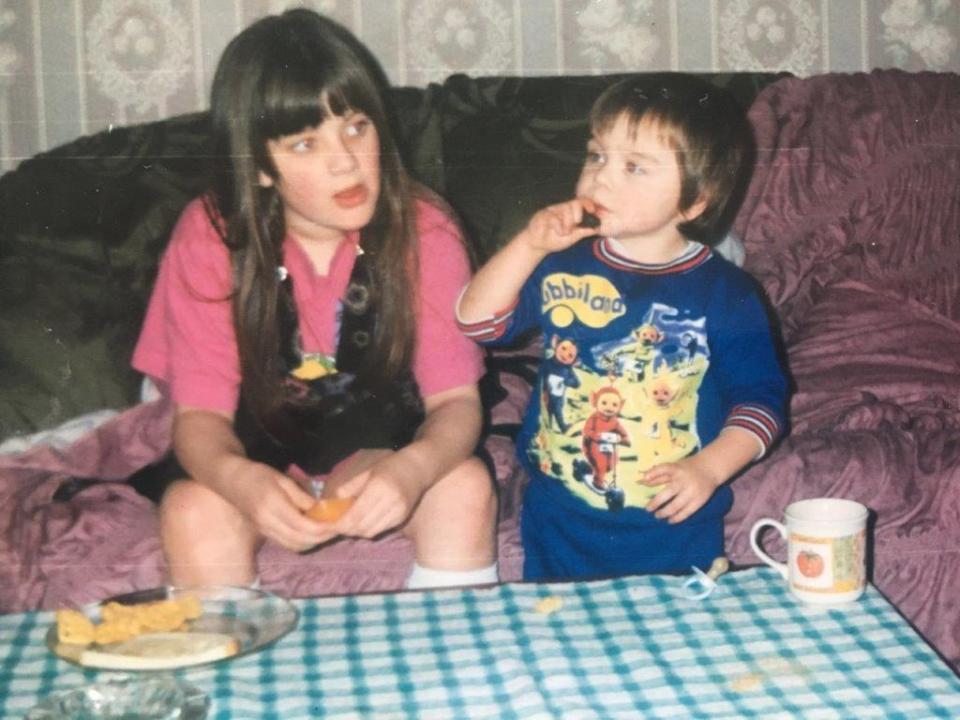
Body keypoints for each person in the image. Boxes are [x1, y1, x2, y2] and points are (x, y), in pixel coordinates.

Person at [132, 8, 497, 590]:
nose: (344, 160)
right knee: (192, 511)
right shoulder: (211, 234)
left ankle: (452, 665)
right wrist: (240, 481)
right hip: (251, 440)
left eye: (356, 126)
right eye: (305, 143)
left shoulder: (425, 229)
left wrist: (412, 470)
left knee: (467, 487)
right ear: (258, 170)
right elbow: (200, 417)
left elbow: (456, 401)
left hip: (383, 433)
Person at [457, 74, 787, 581]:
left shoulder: (728, 295)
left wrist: (709, 469)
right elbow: (478, 324)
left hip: (671, 527)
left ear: (696, 200)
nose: (602, 178)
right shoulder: (560, 261)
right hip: (557, 517)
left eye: (634, 166)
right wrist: (529, 245)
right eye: (596, 156)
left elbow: (761, 403)